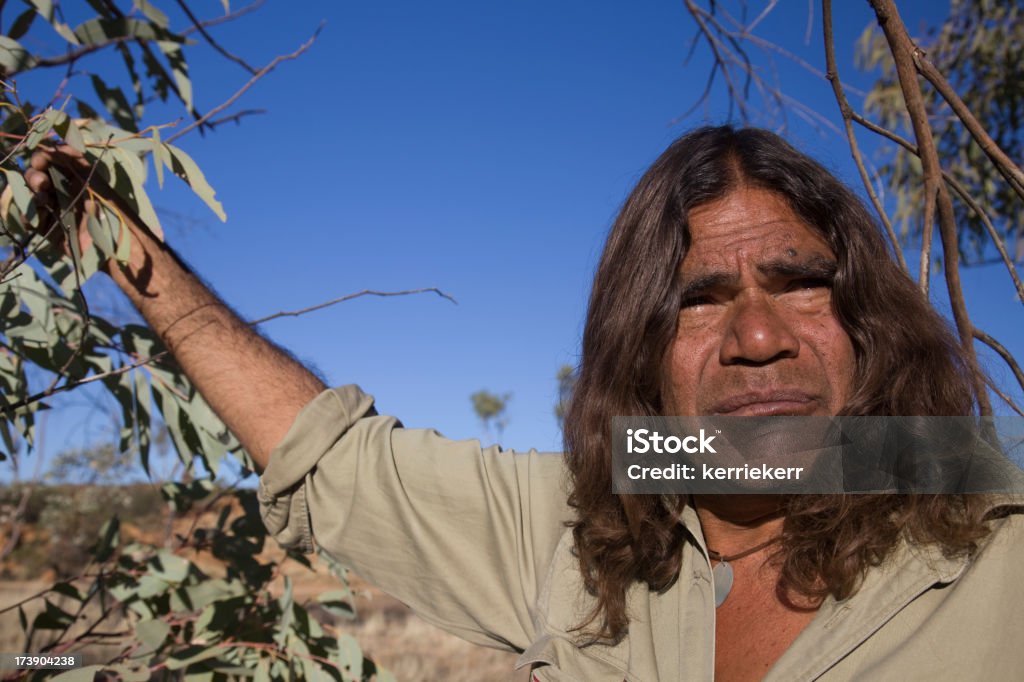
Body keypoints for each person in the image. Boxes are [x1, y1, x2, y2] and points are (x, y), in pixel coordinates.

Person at [27, 125, 1024, 680]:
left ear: (863, 317)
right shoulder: (583, 524)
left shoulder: (991, 539)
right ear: (639, 354)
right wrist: (132, 256)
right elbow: (333, 456)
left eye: (798, 281)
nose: (757, 336)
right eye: (699, 299)